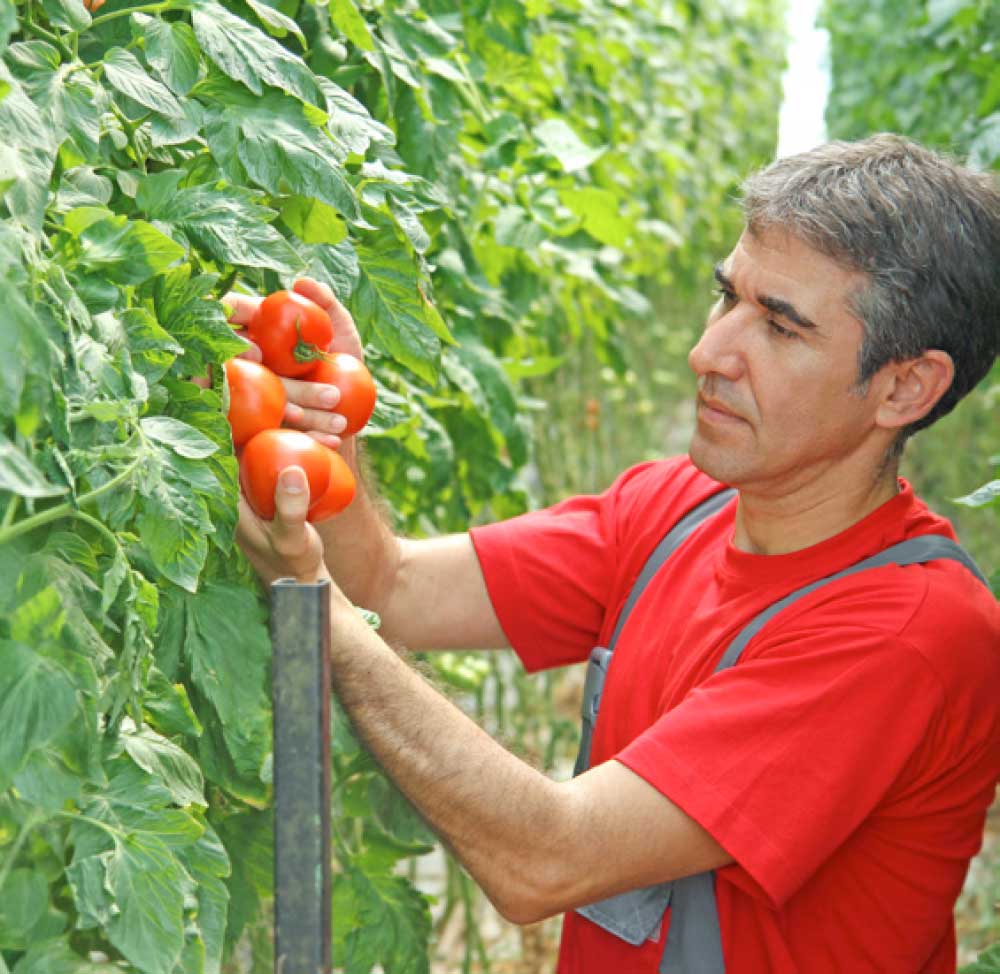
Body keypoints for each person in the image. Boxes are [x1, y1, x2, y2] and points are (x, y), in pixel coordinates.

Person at [231, 134, 1000, 973]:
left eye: (780, 327)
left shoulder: (908, 636)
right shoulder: (678, 507)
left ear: (904, 387)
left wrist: (319, 620)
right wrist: (326, 444)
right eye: (726, 298)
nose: (709, 354)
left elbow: (549, 857)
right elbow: (396, 584)